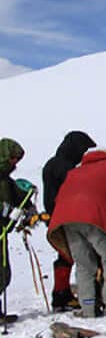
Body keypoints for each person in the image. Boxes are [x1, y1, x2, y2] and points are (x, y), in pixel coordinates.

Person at [47, 148, 106, 317]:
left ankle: (88, 308)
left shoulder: (76, 171)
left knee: (84, 264)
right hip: (95, 218)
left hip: (66, 219)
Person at [42, 130, 96, 311]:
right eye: (82, 150)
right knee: (73, 255)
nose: (83, 155)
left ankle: (61, 293)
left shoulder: (52, 164)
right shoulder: (65, 168)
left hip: (54, 216)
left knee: (65, 255)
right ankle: (62, 295)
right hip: (66, 217)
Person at [1, 138, 31, 322]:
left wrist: (25, 197)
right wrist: (6, 210)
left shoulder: (5, 179)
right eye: (12, 159)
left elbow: (14, 194)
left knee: (3, 271)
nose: (14, 163)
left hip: (2, 230)